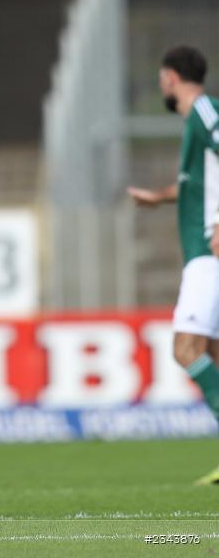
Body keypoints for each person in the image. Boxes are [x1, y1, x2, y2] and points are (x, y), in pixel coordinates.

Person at [127, 45, 219, 485]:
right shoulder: (196, 124)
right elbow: (195, 186)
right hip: (203, 254)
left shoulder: (203, 111)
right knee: (214, 359)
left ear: (168, 78)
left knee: (185, 350)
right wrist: (159, 197)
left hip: (208, 255)